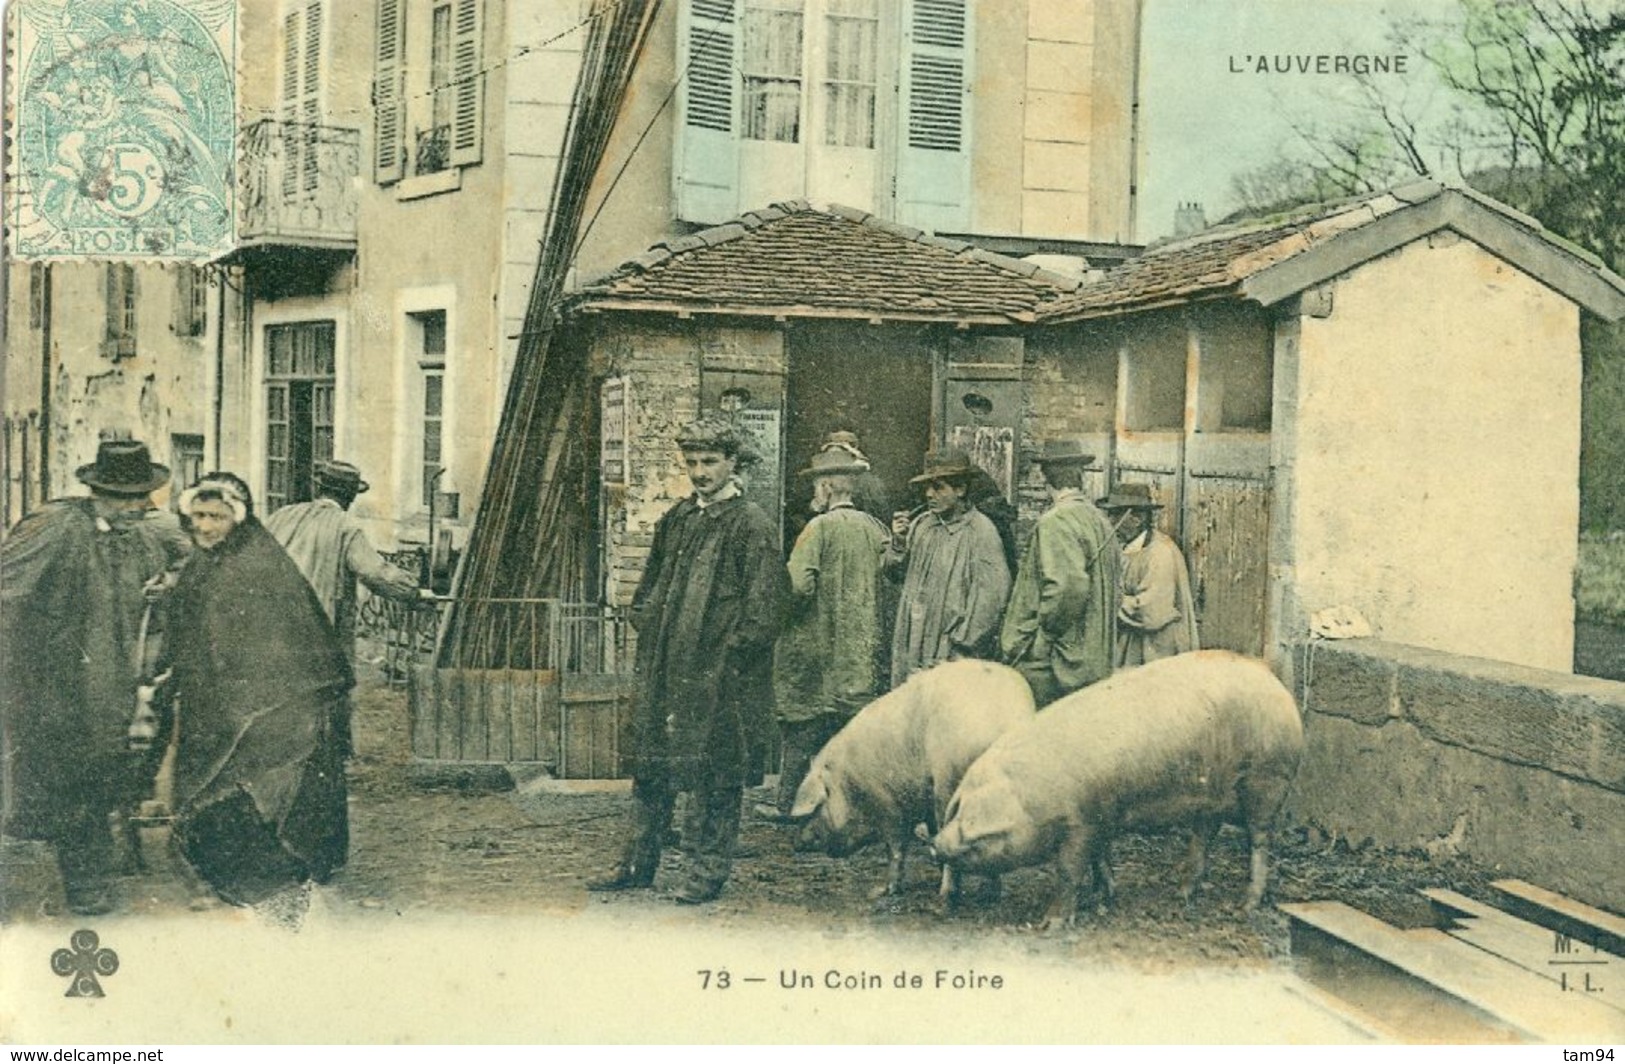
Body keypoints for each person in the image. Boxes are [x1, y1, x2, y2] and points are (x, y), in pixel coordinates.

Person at [589, 417, 784, 904]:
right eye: (692, 462)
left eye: (710, 462)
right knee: (651, 767)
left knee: (715, 775)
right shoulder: (679, 517)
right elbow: (649, 585)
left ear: (733, 463)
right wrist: (648, 623)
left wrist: (728, 657)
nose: (700, 472)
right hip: (664, 669)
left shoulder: (751, 525)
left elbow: (766, 609)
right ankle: (638, 863)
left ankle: (705, 872)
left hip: (718, 676)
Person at [0, 439, 177, 915]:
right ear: (104, 493)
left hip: (111, 683)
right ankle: (86, 885)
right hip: (55, 685)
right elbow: (8, 595)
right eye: (136, 497)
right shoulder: (53, 528)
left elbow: (160, 578)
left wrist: (164, 588)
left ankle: (90, 869)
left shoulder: (137, 536)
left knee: (101, 774)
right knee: (75, 779)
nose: (145, 507)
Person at [163, 473, 355, 907]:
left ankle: (258, 878)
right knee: (208, 782)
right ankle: (220, 872)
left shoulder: (258, 564)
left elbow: (275, 637)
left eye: (217, 517)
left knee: (246, 787)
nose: (206, 526)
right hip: (211, 696)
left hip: (264, 702)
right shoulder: (202, 562)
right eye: (199, 516)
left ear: (237, 519)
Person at [761, 447, 889, 821]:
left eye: (818, 483)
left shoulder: (816, 529)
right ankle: (853, 808)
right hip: (858, 653)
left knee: (802, 731)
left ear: (829, 486)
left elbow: (799, 587)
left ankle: (790, 805)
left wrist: (778, 614)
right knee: (850, 734)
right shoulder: (874, 528)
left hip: (817, 650)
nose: (815, 491)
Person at [263, 459, 427, 661]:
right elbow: (374, 572)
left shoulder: (283, 515)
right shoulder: (345, 526)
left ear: (319, 489)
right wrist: (412, 591)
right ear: (349, 497)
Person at [999, 440, 1121, 706]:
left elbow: (1068, 587)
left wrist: (1044, 638)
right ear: (1080, 476)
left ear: (1045, 477)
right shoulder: (1098, 519)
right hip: (1094, 659)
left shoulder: (1056, 521)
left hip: (1058, 663)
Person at [886, 449, 1012, 689]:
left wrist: (962, 644)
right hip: (914, 639)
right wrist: (898, 541)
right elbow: (895, 575)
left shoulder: (981, 532)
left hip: (949, 647)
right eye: (927, 488)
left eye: (938, 487)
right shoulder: (922, 525)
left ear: (960, 490)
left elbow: (992, 598)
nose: (929, 495)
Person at [1100, 482, 1198, 667]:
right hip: (1135, 643)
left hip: (1158, 648)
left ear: (1136, 518)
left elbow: (1150, 610)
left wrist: (1108, 599)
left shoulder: (1160, 553)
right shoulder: (1128, 547)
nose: (1110, 522)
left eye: (1115, 515)